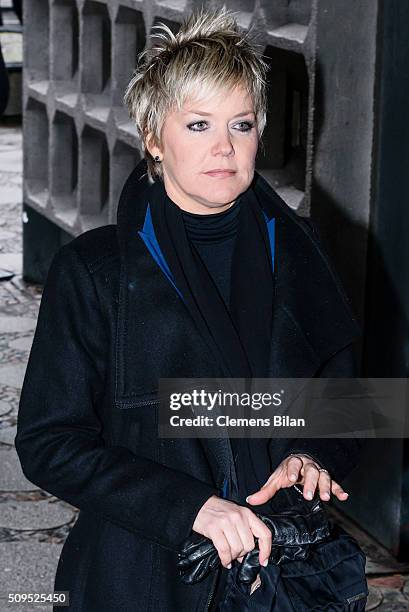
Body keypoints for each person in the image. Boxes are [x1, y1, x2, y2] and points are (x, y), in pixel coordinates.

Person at [15, 7, 364, 611]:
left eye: (243, 124)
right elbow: (49, 442)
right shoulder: (96, 270)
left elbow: (350, 393)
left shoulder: (302, 248)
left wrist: (313, 450)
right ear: (154, 136)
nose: (225, 147)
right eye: (199, 124)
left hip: (286, 570)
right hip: (147, 573)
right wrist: (192, 507)